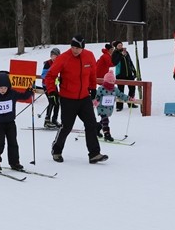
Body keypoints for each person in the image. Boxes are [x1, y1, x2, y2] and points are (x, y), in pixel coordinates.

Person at [44, 35, 107, 164]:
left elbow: (92, 73)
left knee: (91, 124)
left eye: (78, 48)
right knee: (67, 127)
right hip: (68, 98)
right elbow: (50, 76)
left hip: (84, 97)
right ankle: (56, 150)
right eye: (73, 47)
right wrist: (52, 92)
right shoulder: (63, 58)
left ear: (83, 48)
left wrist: (92, 87)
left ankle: (94, 154)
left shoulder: (89, 56)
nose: (75, 50)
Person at [0, 71, 35, 172]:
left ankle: (14, 162)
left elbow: (23, 96)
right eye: (1, 88)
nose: (3, 90)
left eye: (5, 88)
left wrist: (29, 91)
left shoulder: (12, 93)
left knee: (13, 142)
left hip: (10, 122)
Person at [94, 71, 138, 142]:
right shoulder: (101, 88)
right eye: (110, 81)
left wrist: (129, 98)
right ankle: (107, 135)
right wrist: (96, 101)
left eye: (113, 81)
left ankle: (96, 128)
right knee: (106, 121)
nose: (111, 83)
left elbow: (121, 95)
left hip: (109, 108)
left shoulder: (115, 89)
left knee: (103, 121)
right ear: (106, 81)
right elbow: (97, 96)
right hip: (101, 107)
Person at [112, 40, 137, 111]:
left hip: (129, 74)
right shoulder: (115, 53)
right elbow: (114, 62)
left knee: (132, 88)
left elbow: (130, 62)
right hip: (120, 74)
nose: (121, 46)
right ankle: (119, 106)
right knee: (120, 91)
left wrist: (134, 71)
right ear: (116, 47)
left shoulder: (126, 52)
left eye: (121, 45)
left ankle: (130, 103)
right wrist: (121, 55)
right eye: (119, 45)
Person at [42, 47, 62, 128]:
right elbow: (43, 75)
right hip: (47, 86)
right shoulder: (48, 63)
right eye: (52, 56)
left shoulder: (59, 63)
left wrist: (58, 80)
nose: (54, 58)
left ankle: (54, 120)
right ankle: (47, 121)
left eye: (55, 56)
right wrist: (51, 73)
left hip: (54, 86)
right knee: (52, 102)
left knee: (57, 103)